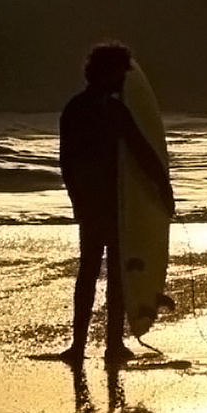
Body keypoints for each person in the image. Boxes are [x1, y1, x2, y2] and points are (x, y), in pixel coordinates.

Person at [50, 42, 175, 362]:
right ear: (108, 72)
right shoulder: (113, 110)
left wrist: (75, 199)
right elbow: (142, 151)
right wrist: (163, 188)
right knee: (116, 273)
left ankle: (79, 347)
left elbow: (66, 162)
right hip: (116, 205)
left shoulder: (74, 108)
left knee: (89, 271)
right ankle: (111, 346)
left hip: (93, 202)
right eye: (120, 72)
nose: (124, 79)